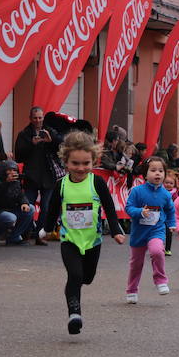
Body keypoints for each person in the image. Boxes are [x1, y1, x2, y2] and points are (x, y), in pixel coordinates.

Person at [40, 131, 125, 334]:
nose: (80, 168)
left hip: (93, 241)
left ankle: (76, 304)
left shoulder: (96, 183)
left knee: (87, 278)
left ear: (93, 161)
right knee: (75, 275)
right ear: (65, 162)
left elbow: (109, 208)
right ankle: (74, 314)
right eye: (75, 163)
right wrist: (47, 228)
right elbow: (52, 209)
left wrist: (115, 230)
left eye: (86, 163)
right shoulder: (61, 185)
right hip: (69, 240)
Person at [124, 156, 176, 303]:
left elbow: (170, 210)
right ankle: (132, 290)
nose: (157, 173)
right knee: (136, 264)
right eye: (153, 170)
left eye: (161, 171)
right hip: (139, 233)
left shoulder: (166, 194)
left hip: (156, 230)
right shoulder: (137, 191)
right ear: (145, 174)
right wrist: (139, 211)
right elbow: (128, 208)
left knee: (157, 251)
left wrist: (172, 224)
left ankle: (160, 280)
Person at [14, 106, 63, 246]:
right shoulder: (24, 134)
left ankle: (40, 234)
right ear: (30, 119)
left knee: (47, 207)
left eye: (40, 118)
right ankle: (24, 233)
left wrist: (50, 141)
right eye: (35, 118)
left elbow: (61, 144)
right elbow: (19, 155)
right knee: (28, 205)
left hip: (48, 175)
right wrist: (31, 144)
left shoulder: (49, 130)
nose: (38, 120)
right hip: (32, 175)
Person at [0, 161, 34, 246]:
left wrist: (24, 203)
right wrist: (6, 183)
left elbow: (20, 195)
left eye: (14, 170)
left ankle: (14, 237)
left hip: (8, 210)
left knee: (30, 208)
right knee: (10, 217)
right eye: (10, 170)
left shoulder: (16, 182)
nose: (13, 172)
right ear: (3, 170)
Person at [163, 170, 179, 256]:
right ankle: (158, 247)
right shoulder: (160, 191)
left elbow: (177, 203)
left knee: (169, 233)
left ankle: (167, 249)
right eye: (166, 182)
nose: (168, 184)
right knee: (159, 232)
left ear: (174, 184)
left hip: (170, 216)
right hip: (160, 215)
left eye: (171, 183)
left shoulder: (175, 194)